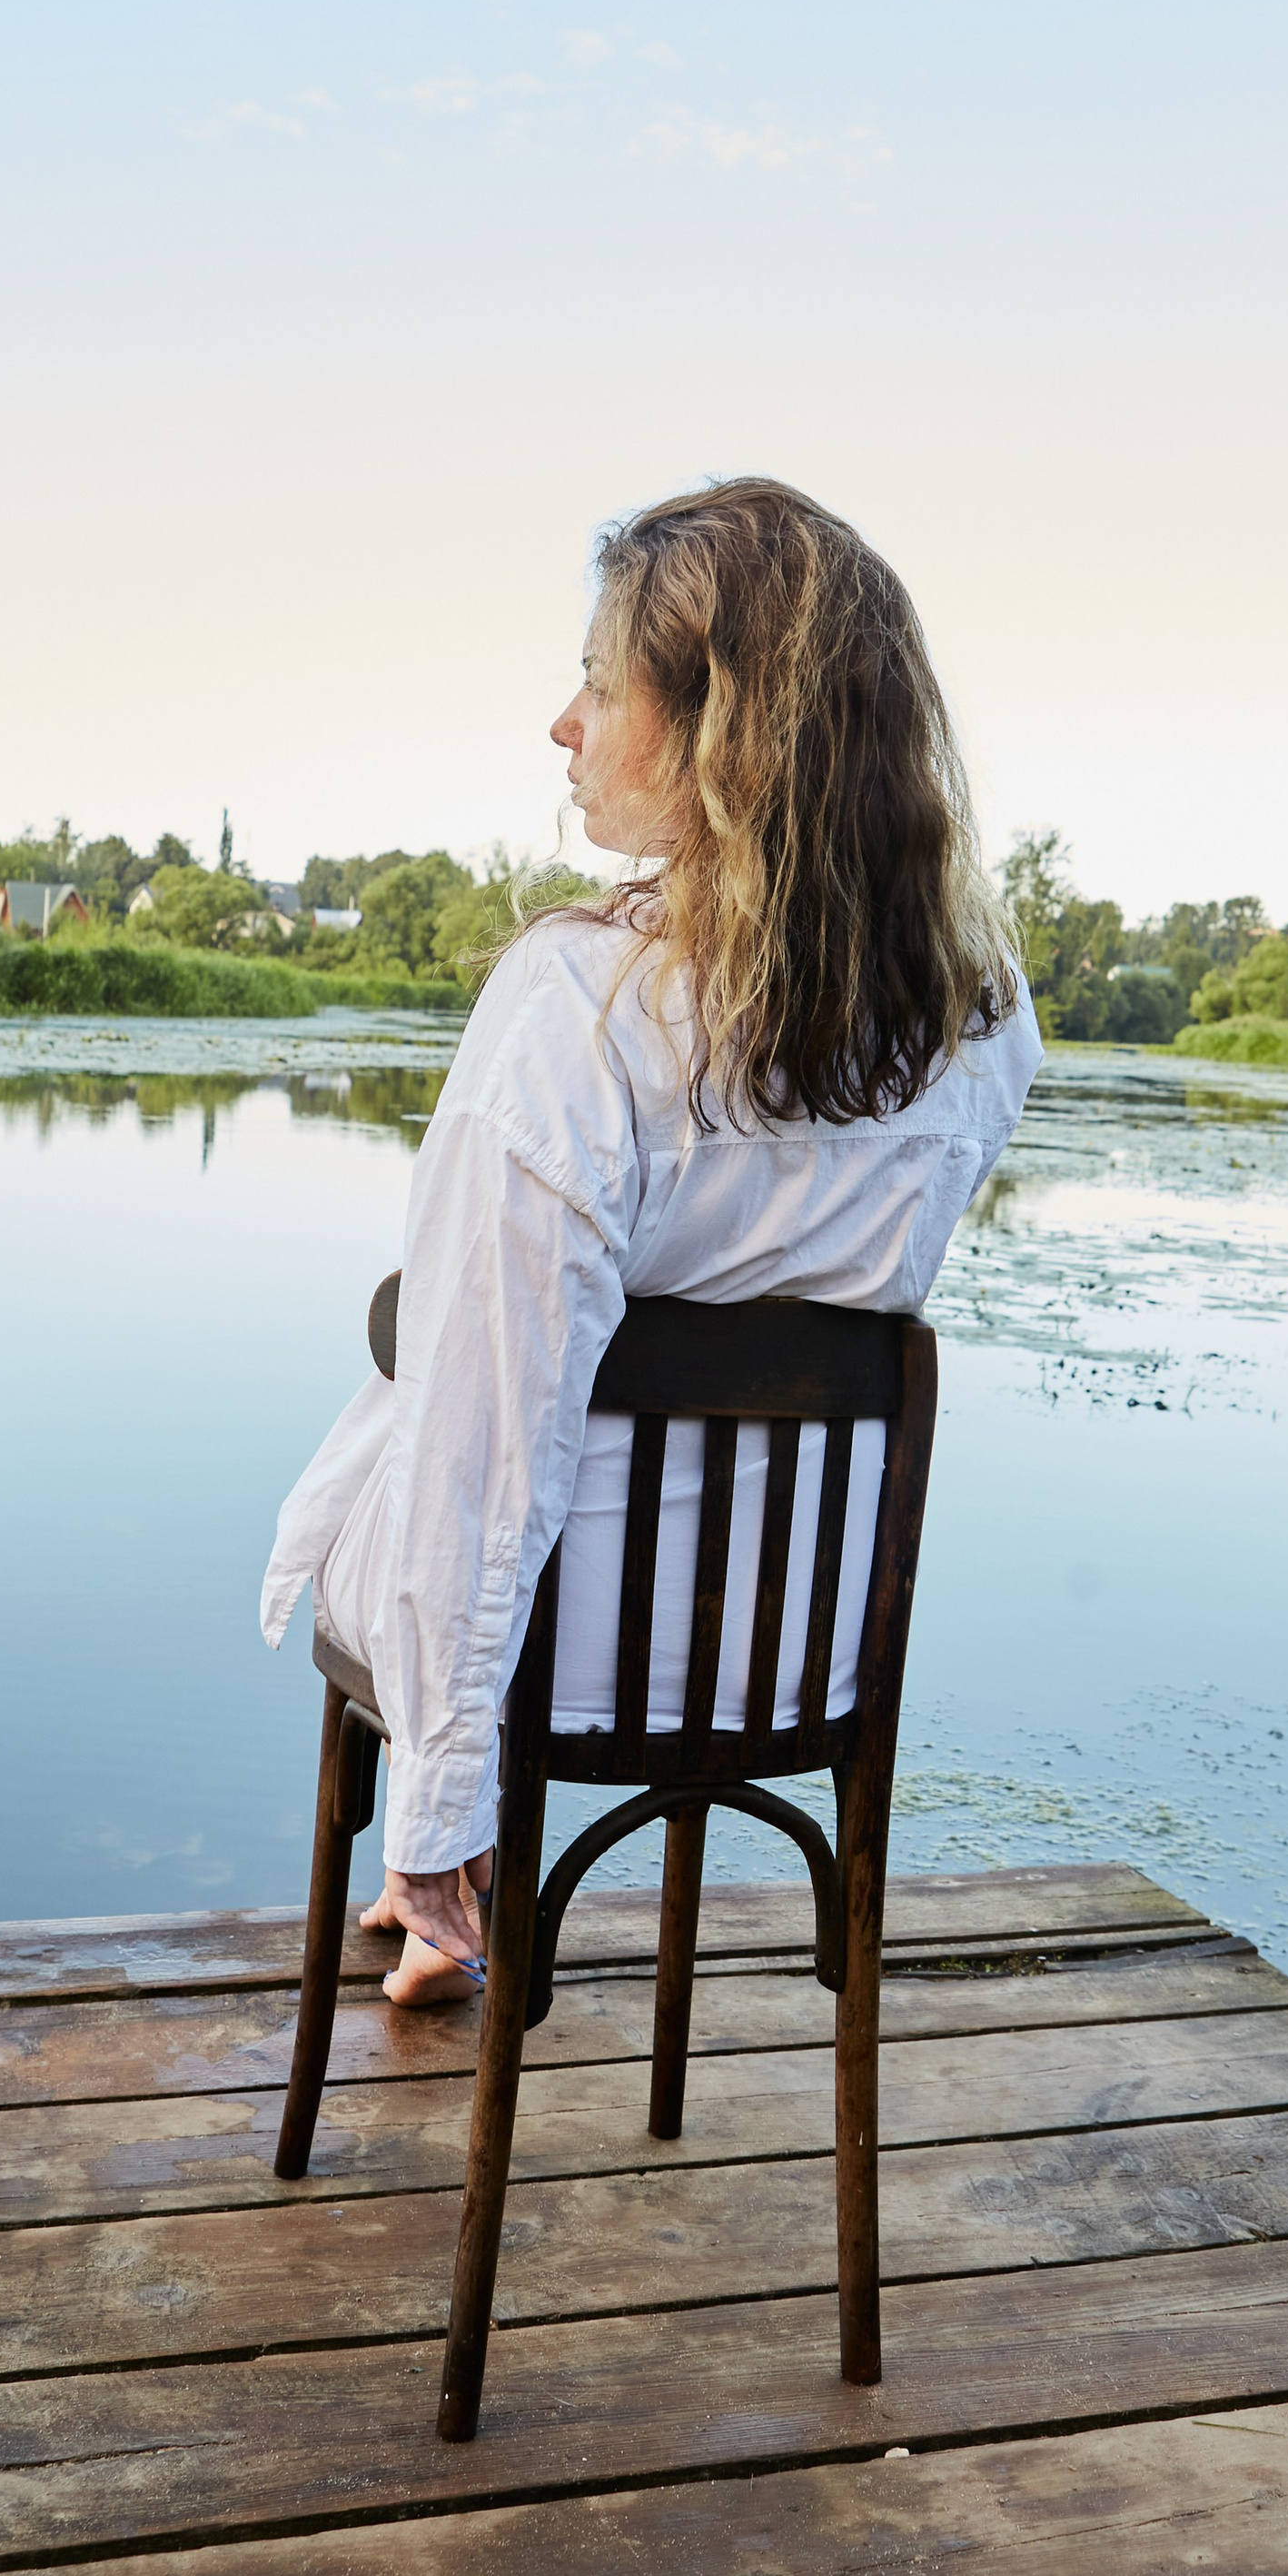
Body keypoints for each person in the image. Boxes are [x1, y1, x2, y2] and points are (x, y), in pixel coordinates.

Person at [260, 477, 1041, 2004]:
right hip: (786, 1663)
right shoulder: (987, 1025)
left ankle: (440, 1859)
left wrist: (436, 1802)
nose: (564, 722)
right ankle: (461, 1781)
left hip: (561, 1657)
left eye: (600, 682)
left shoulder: (577, 1007)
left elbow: (491, 1437)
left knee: (422, 1406)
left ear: (714, 736)